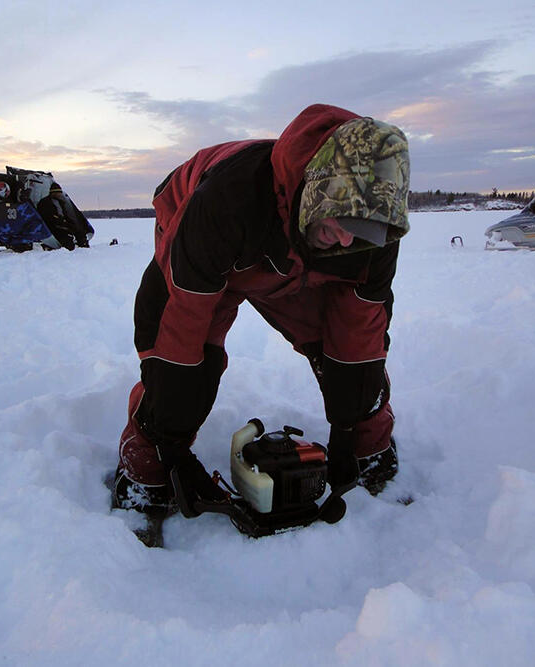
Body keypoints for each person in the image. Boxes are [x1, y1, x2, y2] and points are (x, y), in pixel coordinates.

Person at [112, 104, 410, 520]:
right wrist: (173, 439)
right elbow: (175, 328)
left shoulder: (368, 239)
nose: (346, 239)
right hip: (208, 234)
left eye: (361, 229)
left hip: (294, 257)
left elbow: (361, 333)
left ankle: (371, 445)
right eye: (340, 219)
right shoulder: (227, 200)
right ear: (315, 189)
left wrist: (348, 425)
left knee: (348, 361)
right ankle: (146, 464)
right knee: (186, 367)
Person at [37, 182, 90, 250]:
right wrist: (60, 221)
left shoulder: (61, 202)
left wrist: (72, 223)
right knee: (66, 237)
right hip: (52, 226)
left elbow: (66, 214)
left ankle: (83, 246)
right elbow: (48, 217)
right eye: (58, 193)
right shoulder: (45, 203)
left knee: (79, 231)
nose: (60, 194)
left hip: (62, 223)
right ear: (53, 193)